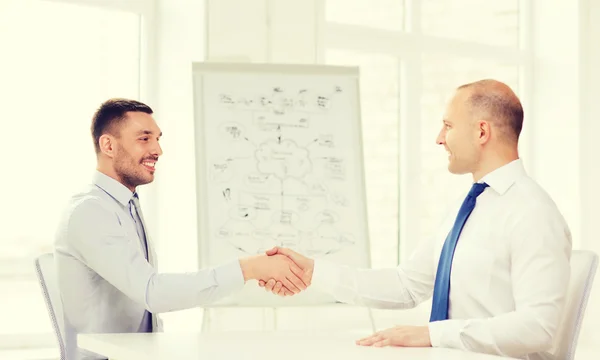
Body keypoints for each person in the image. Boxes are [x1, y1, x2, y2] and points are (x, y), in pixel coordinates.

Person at [259, 79, 572, 360]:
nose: (439, 138)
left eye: (448, 126)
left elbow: (537, 327)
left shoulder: (533, 213)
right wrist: (313, 272)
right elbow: (405, 285)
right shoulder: (469, 207)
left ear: (481, 132)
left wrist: (432, 335)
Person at [53, 99, 306, 360]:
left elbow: (146, 309)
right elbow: (152, 292)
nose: (158, 150)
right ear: (108, 145)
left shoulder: (125, 206)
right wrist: (249, 268)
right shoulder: (91, 212)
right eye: (144, 138)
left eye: (158, 139)